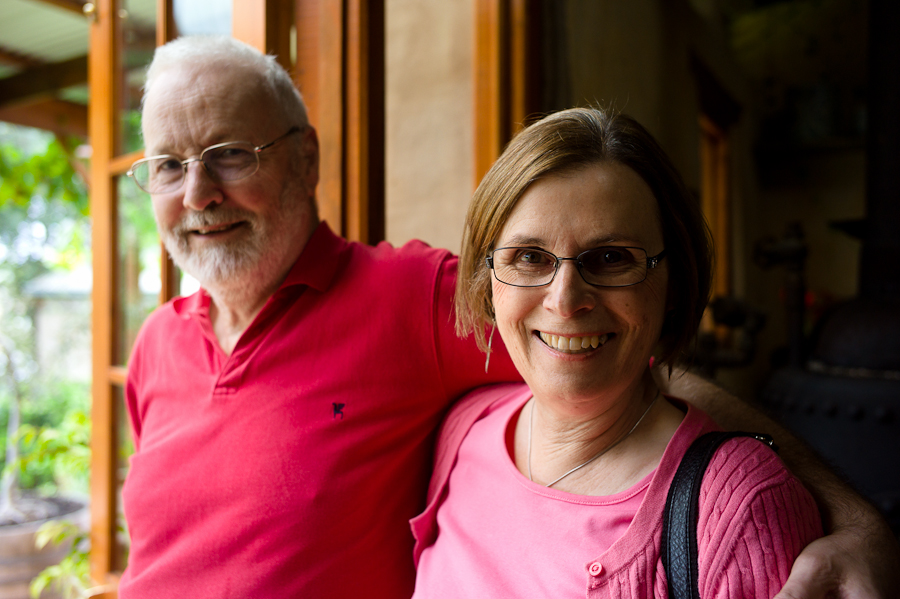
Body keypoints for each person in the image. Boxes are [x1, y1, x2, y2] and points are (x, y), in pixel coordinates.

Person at [120, 35, 898, 599]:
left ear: (307, 159)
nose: (197, 194)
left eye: (230, 153)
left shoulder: (411, 298)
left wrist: (854, 515)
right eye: (168, 165)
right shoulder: (156, 345)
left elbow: (617, 356)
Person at [411, 107, 823, 597]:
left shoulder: (741, 514)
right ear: (487, 281)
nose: (564, 300)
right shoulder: (462, 434)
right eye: (528, 256)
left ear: (673, 282)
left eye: (611, 258)